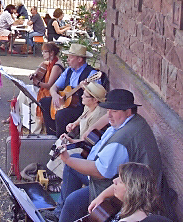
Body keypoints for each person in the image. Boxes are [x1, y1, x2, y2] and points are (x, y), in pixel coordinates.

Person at [45, 89, 162, 222]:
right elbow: (105, 126)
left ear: (128, 111)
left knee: (73, 201)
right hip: (124, 181)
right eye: (108, 110)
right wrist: (85, 134)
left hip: (126, 190)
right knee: (75, 162)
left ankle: (61, 214)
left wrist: (67, 159)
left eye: (114, 111)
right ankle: (59, 212)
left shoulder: (122, 140)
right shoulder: (131, 120)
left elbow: (100, 172)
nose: (109, 115)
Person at [39, 43, 99, 137]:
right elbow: (53, 87)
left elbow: (96, 96)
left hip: (80, 107)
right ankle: (51, 133)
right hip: (66, 103)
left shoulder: (92, 74)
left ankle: (60, 139)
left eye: (70, 57)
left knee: (61, 114)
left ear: (79, 59)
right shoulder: (68, 71)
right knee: (44, 102)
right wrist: (55, 95)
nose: (67, 60)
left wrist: (87, 88)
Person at [6, 43, 64, 134]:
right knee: (22, 93)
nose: (43, 54)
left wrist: (37, 82)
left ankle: (34, 128)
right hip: (43, 90)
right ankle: (15, 118)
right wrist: (35, 73)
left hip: (49, 93)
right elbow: (42, 66)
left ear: (52, 53)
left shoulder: (56, 66)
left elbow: (49, 85)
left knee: (29, 97)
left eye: (45, 52)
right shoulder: (48, 63)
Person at [89, 162, 171, 222]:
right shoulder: (146, 212)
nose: (114, 181)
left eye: (120, 181)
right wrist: (102, 196)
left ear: (132, 190)